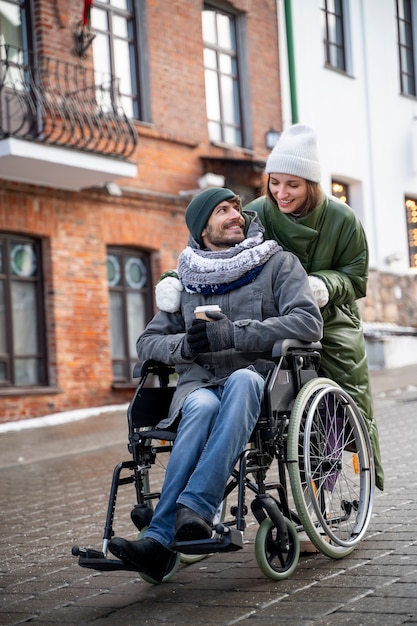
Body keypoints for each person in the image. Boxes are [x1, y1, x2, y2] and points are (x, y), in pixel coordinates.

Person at [109, 186, 323, 582]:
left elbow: (308, 323)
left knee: (242, 379)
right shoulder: (186, 281)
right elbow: (147, 343)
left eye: (237, 209)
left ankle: (189, 512)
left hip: (261, 384)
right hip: (201, 387)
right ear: (202, 227)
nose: (236, 215)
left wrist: (237, 335)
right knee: (202, 405)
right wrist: (183, 345)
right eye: (223, 210)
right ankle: (162, 538)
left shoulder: (277, 264)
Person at [155, 125, 384, 492]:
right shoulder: (257, 212)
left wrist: (323, 284)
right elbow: (211, 253)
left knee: (334, 393)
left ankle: (324, 487)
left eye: (292, 185)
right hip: (269, 312)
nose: (281, 193)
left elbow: (356, 278)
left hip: (331, 314)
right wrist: (173, 279)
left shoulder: (343, 220)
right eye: (274, 182)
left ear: (310, 183)